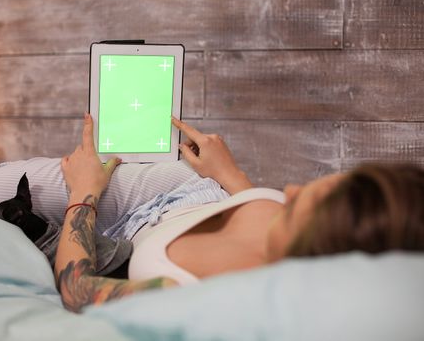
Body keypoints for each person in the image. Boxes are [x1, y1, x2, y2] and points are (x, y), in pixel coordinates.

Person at [56, 113, 424, 313]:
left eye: (295, 208)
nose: (289, 191)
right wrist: (229, 173)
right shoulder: (301, 235)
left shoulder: (208, 298)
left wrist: (83, 192)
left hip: (121, 226)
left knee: (0, 186)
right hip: (197, 189)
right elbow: (259, 202)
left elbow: (77, 291)